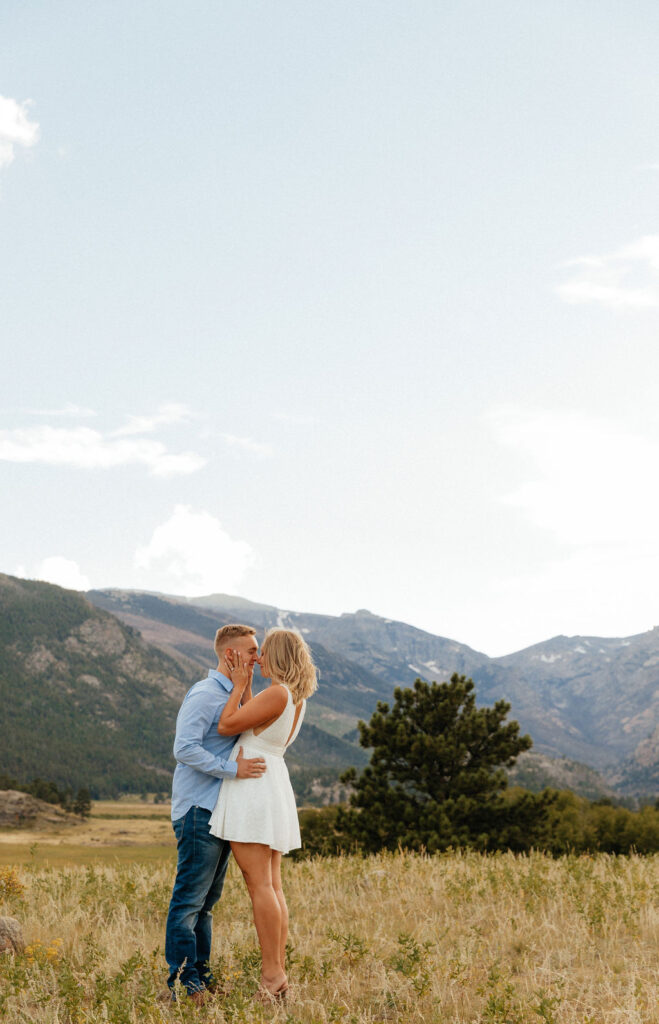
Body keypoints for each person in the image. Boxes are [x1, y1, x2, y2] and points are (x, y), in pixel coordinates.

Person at [209, 628, 317, 1001]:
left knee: (259, 886)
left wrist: (239, 685)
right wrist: (250, 685)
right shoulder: (293, 696)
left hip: (253, 790)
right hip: (271, 784)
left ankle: (272, 977)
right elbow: (257, 723)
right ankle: (277, 973)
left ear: (280, 655)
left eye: (264, 652)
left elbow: (227, 725)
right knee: (271, 886)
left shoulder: (277, 693)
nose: (258, 658)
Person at [165, 624, 267, 1004]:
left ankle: (201, 979)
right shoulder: (207, 694)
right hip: (197, 810)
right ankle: (182, 985)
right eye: (252, 650)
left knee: (206, 905)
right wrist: (233, 770)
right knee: (189, 901)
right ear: (230, 655)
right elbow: (184, 748)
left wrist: (244, 687)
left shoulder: (234, 695)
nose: (258, 657)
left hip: (220, 811)